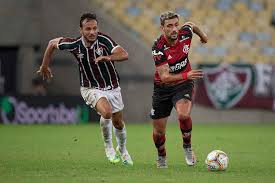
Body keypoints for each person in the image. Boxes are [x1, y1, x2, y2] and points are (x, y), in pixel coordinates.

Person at [37, 12, 133, 166]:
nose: (92, 32)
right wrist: (44, 65)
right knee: (106, 112)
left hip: (113, 88)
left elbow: (124, 54)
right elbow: (51, 43)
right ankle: (109, 148)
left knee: (118, 123)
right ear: (81, 30)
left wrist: (107, 57)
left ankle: (122, 149)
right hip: (90, 88)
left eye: (95, 28)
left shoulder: (104, 40)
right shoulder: (74, 44)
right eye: (88, 29)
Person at [150, 11, 208, 168]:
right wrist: (186, 74)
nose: (174, 29)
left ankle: (187, 148)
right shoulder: (158, 47)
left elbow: (192, 25)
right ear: (162, 28)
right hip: (162, 88)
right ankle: (161, 156)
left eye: (176, 25)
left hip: (183, 85)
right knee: (159, 132)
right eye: (169, 26)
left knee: (183, 115)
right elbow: (164, 77)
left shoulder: (185, 33)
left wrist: (203, 36)